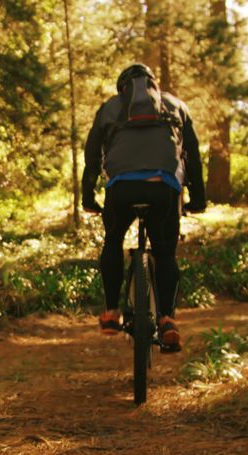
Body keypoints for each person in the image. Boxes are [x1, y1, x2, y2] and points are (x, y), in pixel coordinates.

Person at [80, 64, 207, 352]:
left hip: (122, 189)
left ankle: (112, 311)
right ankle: (167, 319)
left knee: (113, 240)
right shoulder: (175, 105)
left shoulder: (110, 107)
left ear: (121, 88)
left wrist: (88, 198)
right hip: (164, 187)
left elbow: (91, 157)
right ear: (153, 84)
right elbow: (193, 157)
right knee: (165, 252)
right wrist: (198, 199)